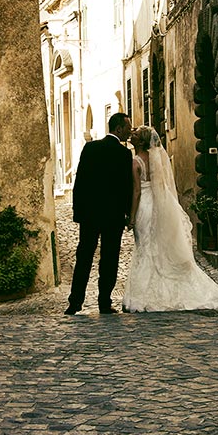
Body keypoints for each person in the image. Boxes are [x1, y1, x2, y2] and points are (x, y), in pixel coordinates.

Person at [123, 126, 218, 312]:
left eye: (135, 134)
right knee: (158, 246)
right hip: (159, 204)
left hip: (144, 206)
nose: (131, 135)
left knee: (144, 246)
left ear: (142, 142)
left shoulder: (135, 162)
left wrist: (132, 218)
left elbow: (136, 192)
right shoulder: (155, 160)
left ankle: (145, 294)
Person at [65, 112, 133, 315]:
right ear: (118, 128)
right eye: (128, 128)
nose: (130, 132)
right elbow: (126, 188)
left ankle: (75, 303)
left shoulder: (91, 148)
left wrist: (78, 211)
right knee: (109, 259)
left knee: (84, 257)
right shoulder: (124, 154)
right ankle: (104, 302)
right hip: (113, 216)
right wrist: (128, 214)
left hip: (90, 215)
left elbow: (80, 182)